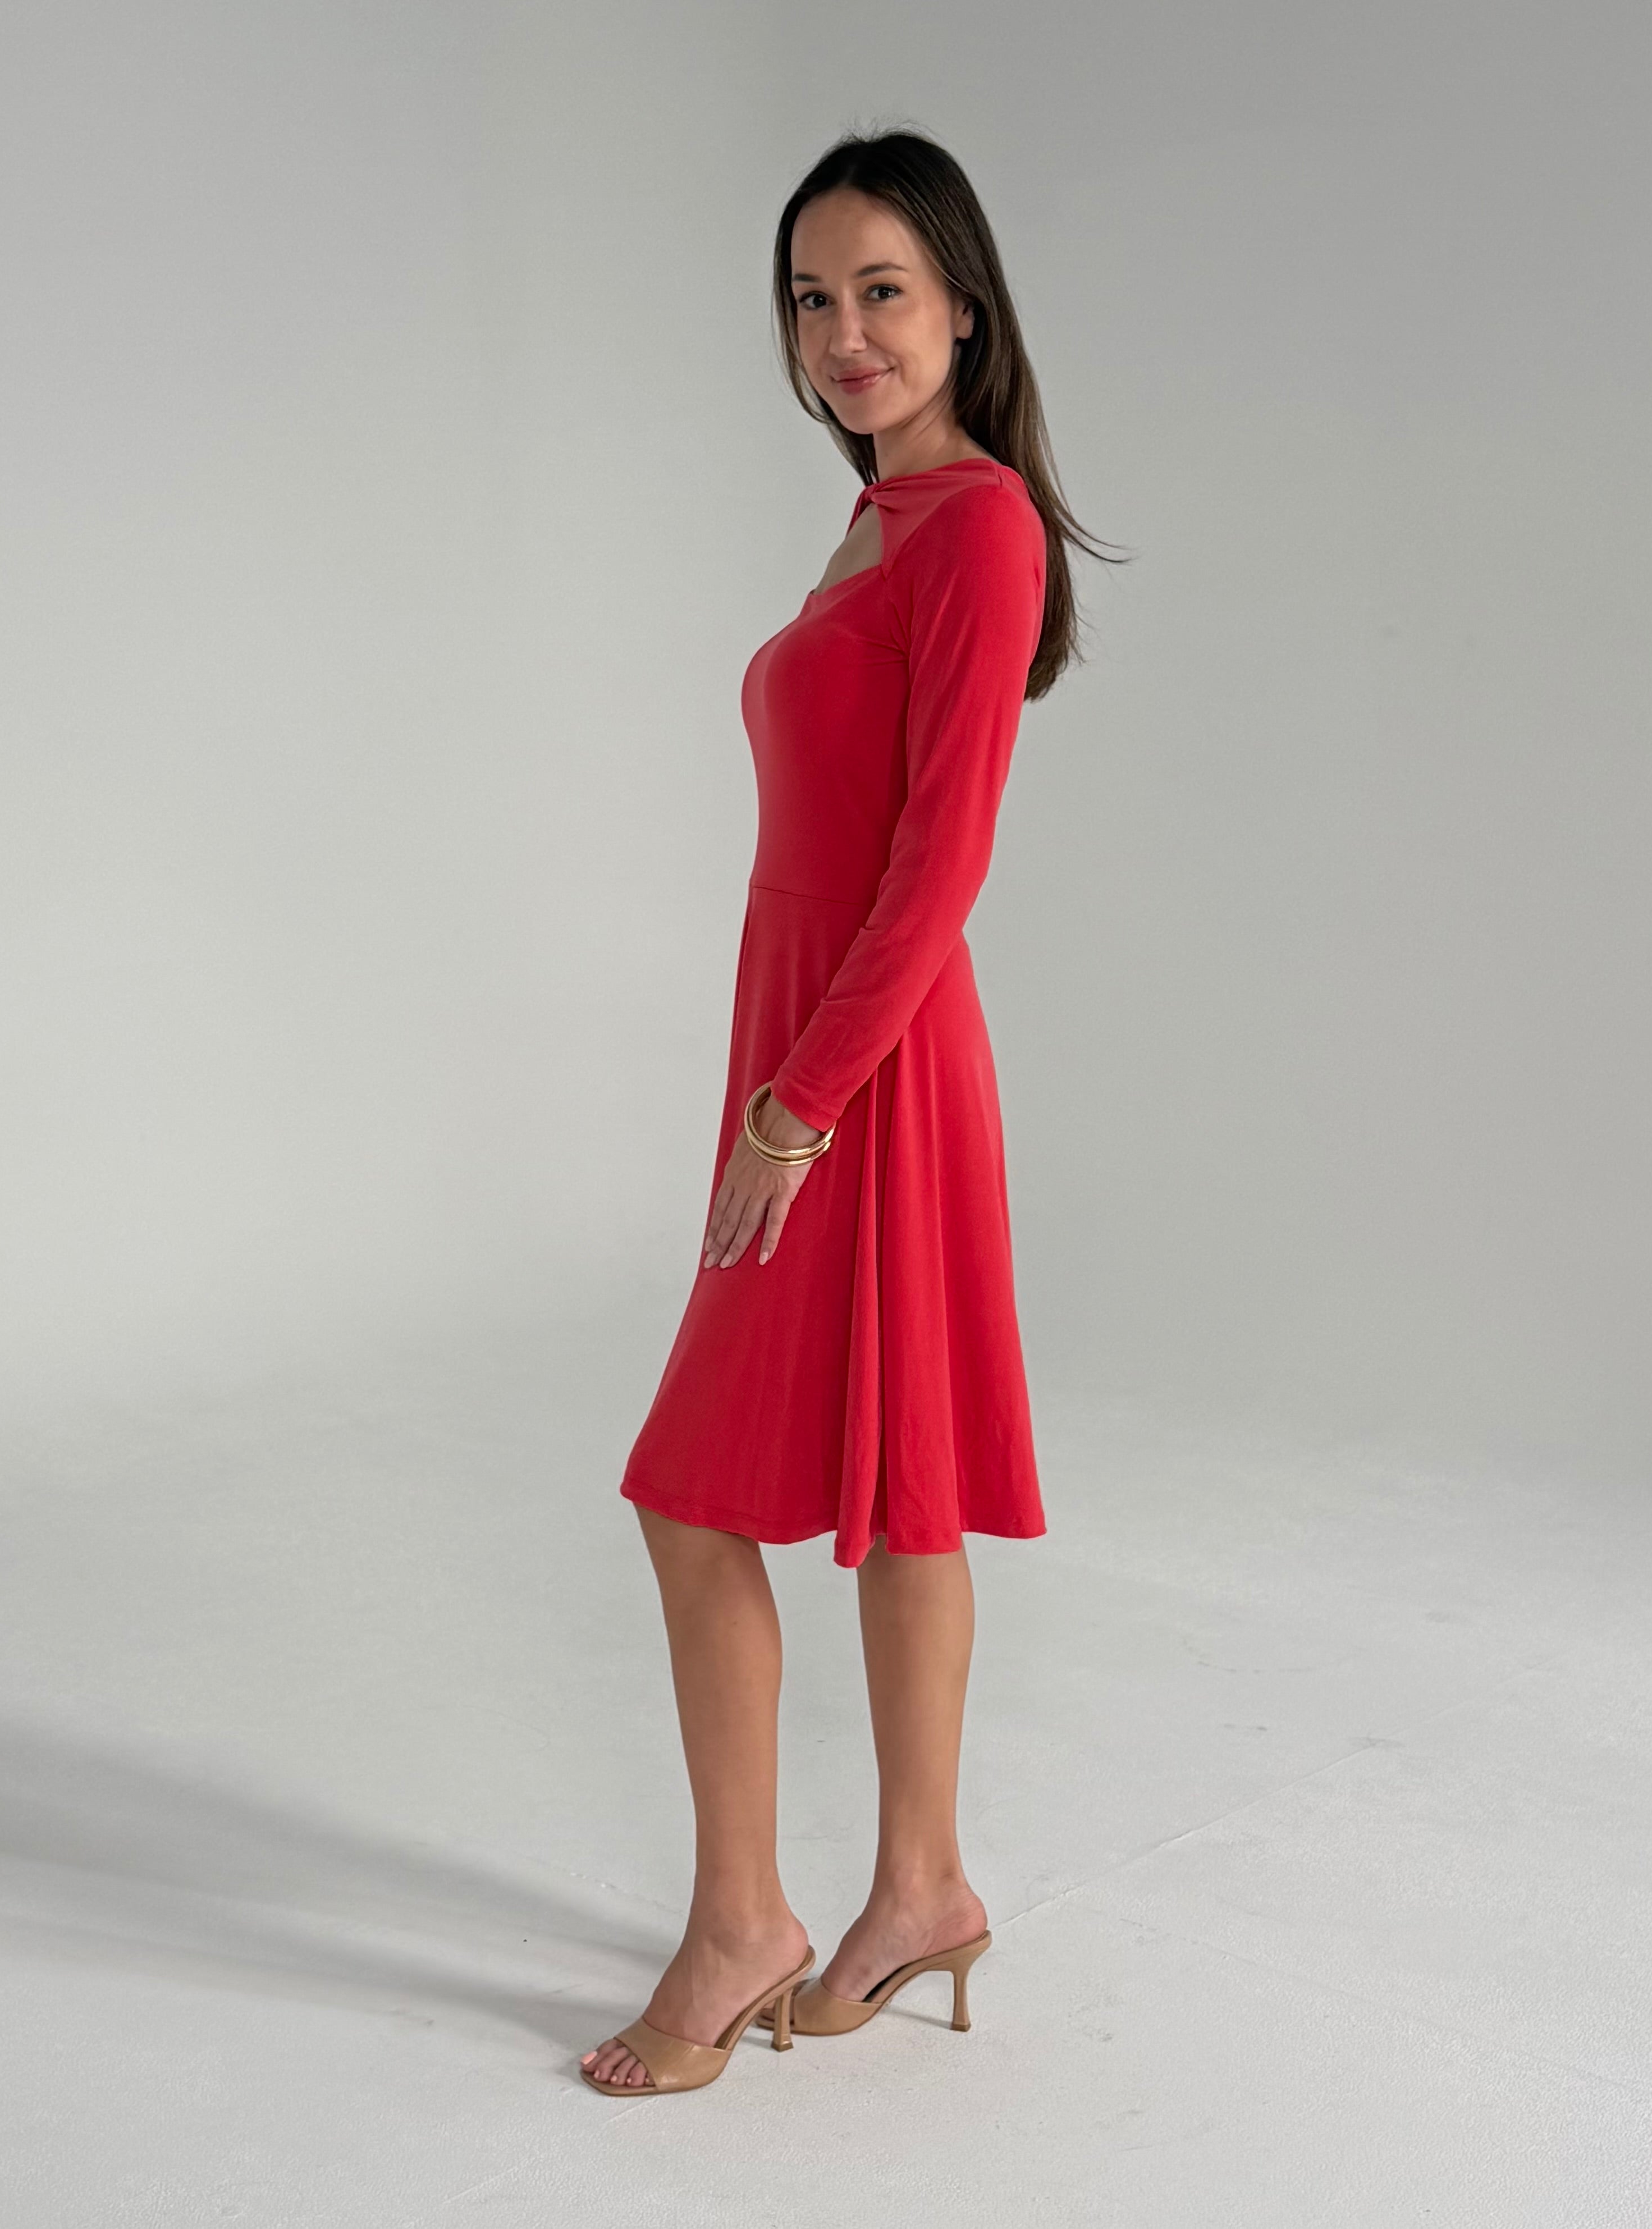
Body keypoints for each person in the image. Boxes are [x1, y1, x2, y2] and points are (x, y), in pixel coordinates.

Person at [582, 128, 1109, 2097]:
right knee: (891, 1479)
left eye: (881, 288)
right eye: (811, 297)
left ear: (964, 304)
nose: (843, 331)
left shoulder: (974, 527)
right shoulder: (881, 524)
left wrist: (795, 1108)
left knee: (694, 1491)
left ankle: (752, 1920)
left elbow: (936, 862)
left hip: (863, 1059)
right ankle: (918, 1889)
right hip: (819, 1038)